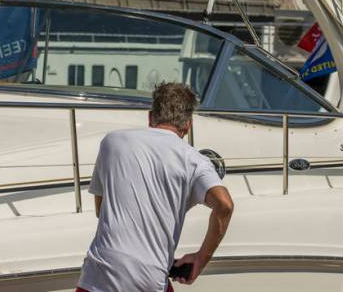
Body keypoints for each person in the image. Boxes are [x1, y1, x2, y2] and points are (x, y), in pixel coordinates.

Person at [77, 82, 234, 292]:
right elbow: (224, 205)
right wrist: (200, 259)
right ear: (188, 125)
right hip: (149, 279)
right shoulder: (194, 161)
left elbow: (101, 210)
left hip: (100, 274)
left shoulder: (113, 142)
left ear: (150, 117)